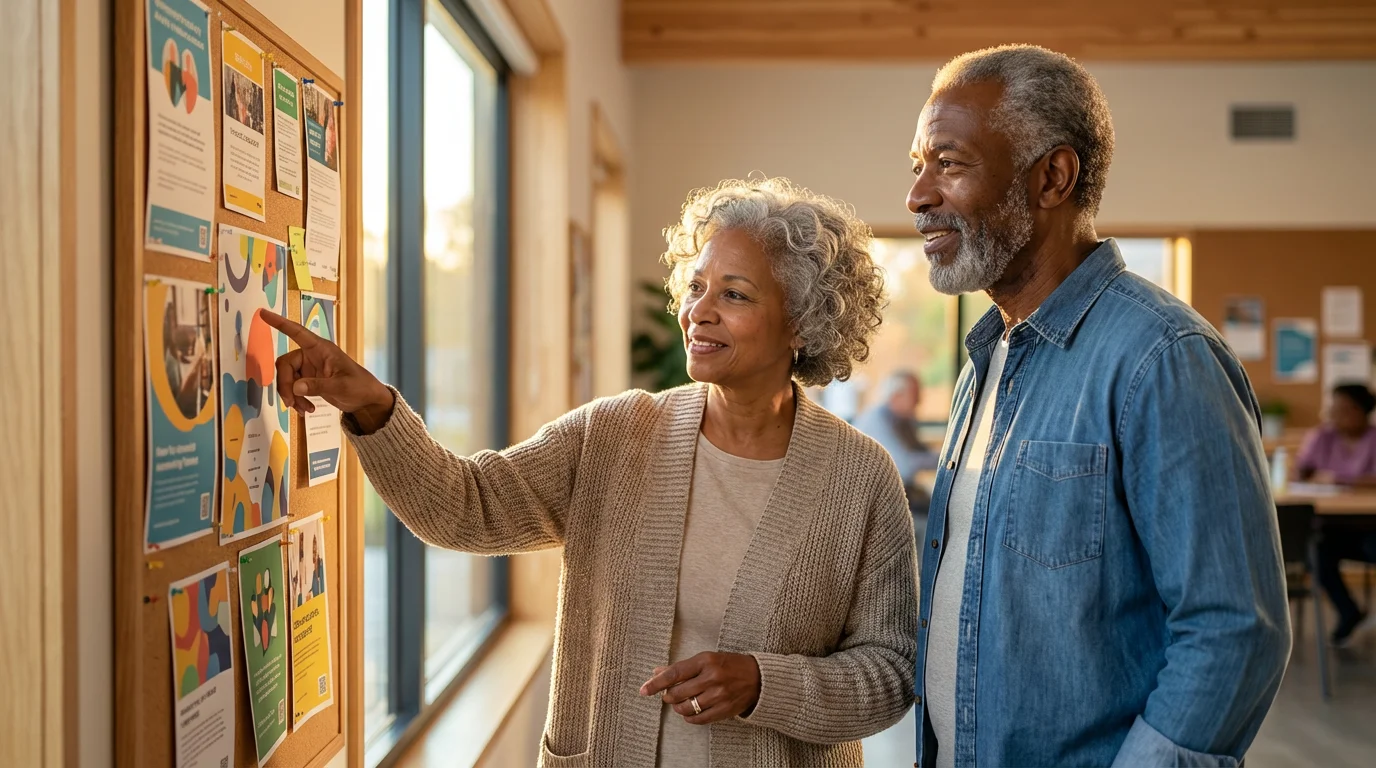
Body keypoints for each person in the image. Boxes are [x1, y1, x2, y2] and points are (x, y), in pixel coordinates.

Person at [265, 177, 917, 766]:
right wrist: (372, 404)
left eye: (735, 294)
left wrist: (763, 683)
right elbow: (464, 509)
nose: (699, 311)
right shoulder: (615, 434)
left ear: (802, 322)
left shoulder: (860, 479)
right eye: (695, 287)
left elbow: (889, 674)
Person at [906, 45, 1289, 767]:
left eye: (948, 164)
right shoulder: (986, 361)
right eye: (917, 166)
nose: (918, 196)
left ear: (1053, 176)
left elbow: (1236, 627)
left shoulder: (1163, 357)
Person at [1301, 383, 1376, 646]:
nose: (1336, 414)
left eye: (1344, 409)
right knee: (1316, 555)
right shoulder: (1322, 436)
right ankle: (1348, 611)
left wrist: (1337, 478)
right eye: (1334, 408)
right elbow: (1302, 472)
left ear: (1362, 411)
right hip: (1332, 526)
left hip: (1370, 526)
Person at [854, 371, 939, 527]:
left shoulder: (904, 420)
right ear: (896, 396)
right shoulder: (877, 419)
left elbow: (921, 451)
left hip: (902, 494)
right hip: (876, 504)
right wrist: (946, 460)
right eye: (915, 395)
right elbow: (906, 465)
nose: (919, 401)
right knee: (936, 518)